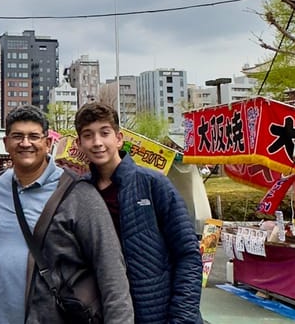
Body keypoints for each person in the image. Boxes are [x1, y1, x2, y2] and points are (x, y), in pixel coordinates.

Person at [0, 105, 133, 324]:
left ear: (48, 143)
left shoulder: (78, 193)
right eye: (17, 136)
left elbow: (111, 271)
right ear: (5, 143)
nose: (25, 143)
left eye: (34, 136)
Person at [74, 102, 203, 323]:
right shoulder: (79, 192)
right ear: (79, 143)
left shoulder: (153, 184)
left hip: (157, 314)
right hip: (103, 312)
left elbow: (188, 255)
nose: (97, 142)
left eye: (104, 133)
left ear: (119, 138)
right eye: (88, 135)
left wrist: (182, 317)